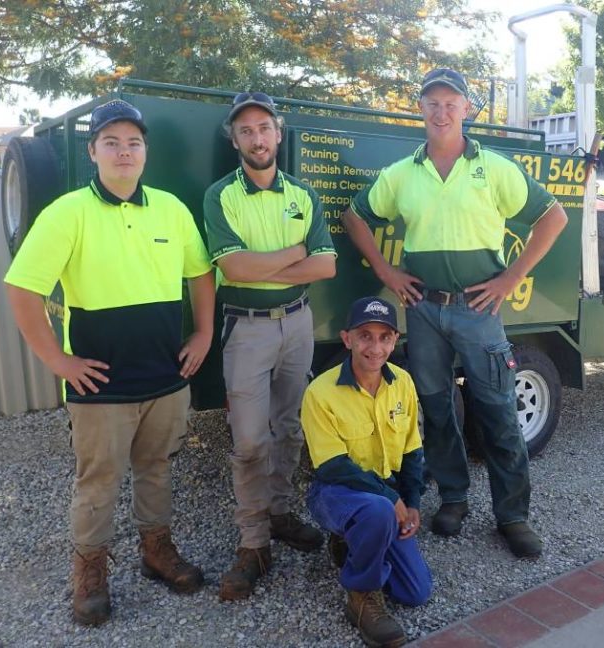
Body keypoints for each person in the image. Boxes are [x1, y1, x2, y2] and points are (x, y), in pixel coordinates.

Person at [341, 68, 569, 559]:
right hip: (424, 311)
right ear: (419, 109)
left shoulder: (494, 168)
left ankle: (513, 515)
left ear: (467, 109)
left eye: (451, 103)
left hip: (477, 311)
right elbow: (354, 216)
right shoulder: (403, 173)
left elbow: (554, 217)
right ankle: (454, 499)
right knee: (438, 410)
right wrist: (386, 270)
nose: (441, 111)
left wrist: (510, 278)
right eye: (432, 103)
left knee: (499, 412)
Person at [4, 99, 215, 626]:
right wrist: (59, 361)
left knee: (157, 470)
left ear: (146, 151)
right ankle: (90, 572)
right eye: (113, 142)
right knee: (97, 483)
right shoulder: (67, 212)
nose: (125, 152)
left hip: (167, 376)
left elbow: (201, 276)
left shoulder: (171, 208)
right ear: (93, 150)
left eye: (134, 142)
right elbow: (22, 290)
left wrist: (205, 332)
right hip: (100, 385)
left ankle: (156, 552)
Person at [203, 91, 337, 601]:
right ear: (234, 140)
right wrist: (294, 252)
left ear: (278, 133)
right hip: (247, 327)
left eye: (263, 128)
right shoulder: (220, 195)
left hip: (298, 323)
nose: (256, 138)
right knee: (249, 441)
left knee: (290, 428)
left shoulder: (303, 194)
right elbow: (232, 269)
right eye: (245, 131)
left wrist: (266, 263)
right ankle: (253, 541)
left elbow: (327, 266)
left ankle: (280, 514)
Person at [302, 296, 431, 648]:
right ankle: (361, 596)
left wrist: (413, 501)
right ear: (347, 339)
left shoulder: (402, 381)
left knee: (416, 592)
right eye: (365, 336)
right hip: (335, 493)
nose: (375, 347)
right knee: (376, 510)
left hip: (384, 494)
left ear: (395, 340)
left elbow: (412, 448)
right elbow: (332, 465)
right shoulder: (320, 392)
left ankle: (358, 542)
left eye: (384, 337)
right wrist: (391, 499)